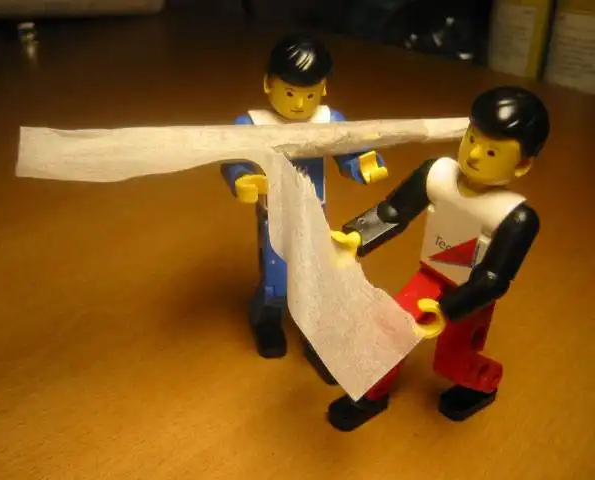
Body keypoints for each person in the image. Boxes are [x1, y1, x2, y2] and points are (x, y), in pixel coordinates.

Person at [328, 86, 550, 431]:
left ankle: (485, 380)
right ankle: (372, 394)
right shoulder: (438, 174)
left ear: (522, 164)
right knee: (391, 328)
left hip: (468, 295)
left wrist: (449, 310)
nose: (474, 154)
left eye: (491, 151)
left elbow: (493, 279)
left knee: (451, 361)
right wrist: (356, 236)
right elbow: (393, 211)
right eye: (472, 138)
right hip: (431, 274)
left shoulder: (515, 217)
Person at [221, 33, 388, 363]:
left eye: (309, 94)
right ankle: (266, 320)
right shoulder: (252, 125)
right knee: (276, 281)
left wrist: (363, 165)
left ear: (323, 89)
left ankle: (314, 328)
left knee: (316, 276)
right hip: (275, 215)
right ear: (268, 84)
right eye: (290, 92)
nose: (299, 104)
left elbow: (350, 151)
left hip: (314, 212)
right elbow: (232, 160)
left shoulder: (328, 122)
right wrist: (241, 179)